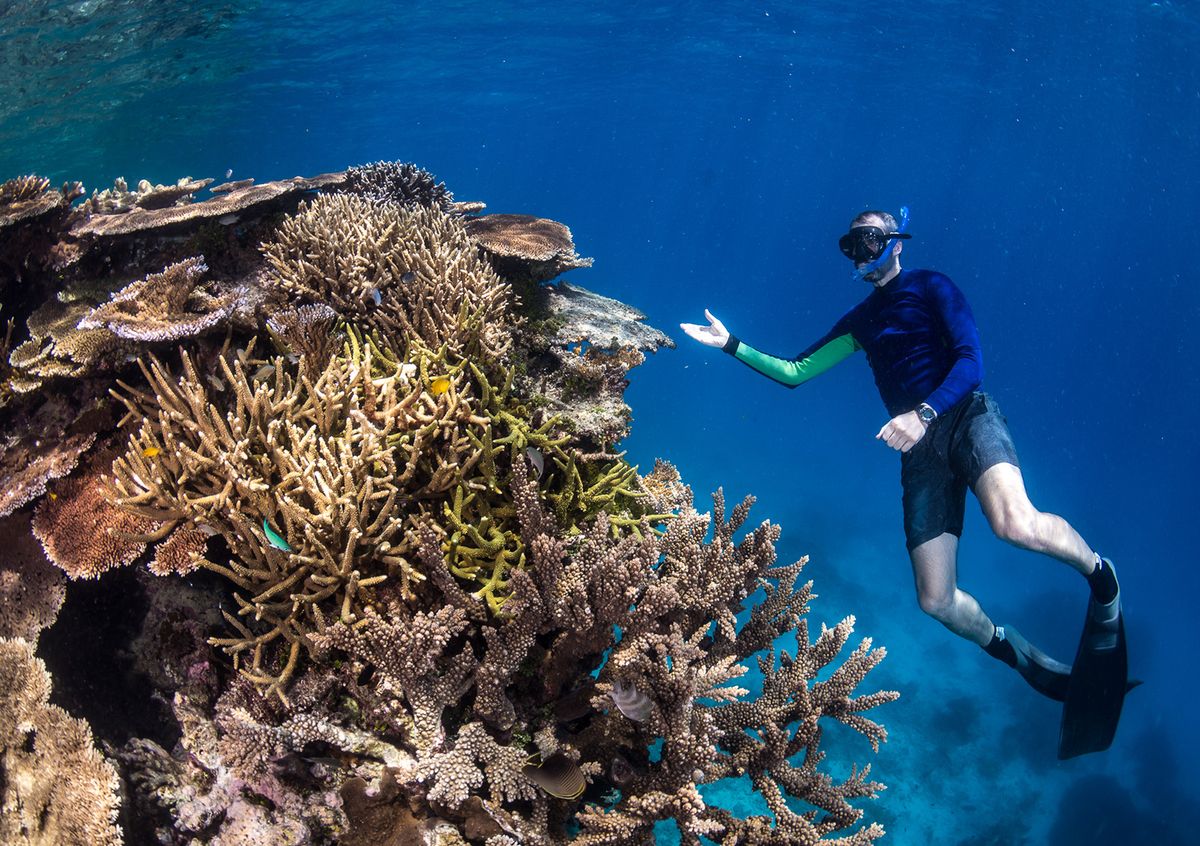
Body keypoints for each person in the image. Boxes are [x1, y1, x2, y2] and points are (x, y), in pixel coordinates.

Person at [680, 208, 1121, 699]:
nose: (861, 253)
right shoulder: (862, 320)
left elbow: (972, 363)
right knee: (935, 600)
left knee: (1015, 525)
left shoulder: (933, 287)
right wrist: (729, 344)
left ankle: (1101, 576)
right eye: (852, 245)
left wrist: (924, 413)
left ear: (895, 242)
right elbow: (795, 372)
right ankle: (1010, 651)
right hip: (918, 448)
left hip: (966, 418)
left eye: (869, 240)